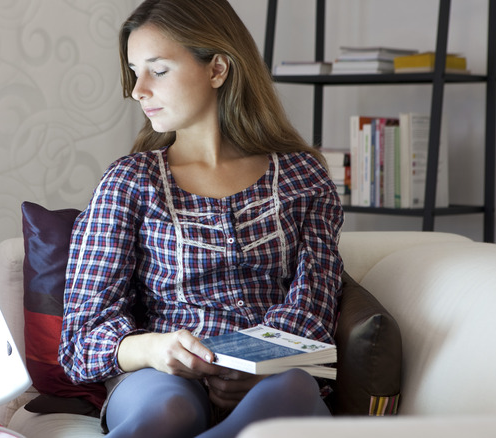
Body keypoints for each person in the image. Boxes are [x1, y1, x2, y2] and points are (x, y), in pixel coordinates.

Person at [58, 0, 344, 436]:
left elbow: (314, 304)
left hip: (277, 376)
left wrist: (258, 365)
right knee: (168, 409)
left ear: (217, 70)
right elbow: (83, 335)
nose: (138, 90)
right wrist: (155, 349)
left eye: (158, 70)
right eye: (135, 71)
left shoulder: (302, 175)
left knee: (290, 393)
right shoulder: (130, 181)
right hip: (161, 377)